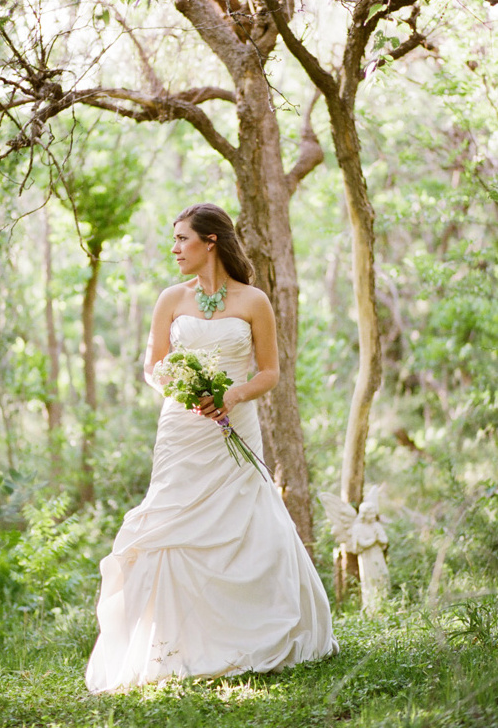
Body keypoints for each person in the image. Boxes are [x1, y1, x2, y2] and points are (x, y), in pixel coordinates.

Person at [85, 203, 338, 693]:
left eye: (183, 239)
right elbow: (152, 366)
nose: (175, 248)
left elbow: (270, 372)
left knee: (244, 517)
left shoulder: (253, 301)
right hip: (181, 430)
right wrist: (183, 392)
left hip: (235, 424)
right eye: (175, 239)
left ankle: (255, 631)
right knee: (171, 522)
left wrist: (230, 395)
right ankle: (174, 645)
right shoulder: (169, 299)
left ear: (211, 242)